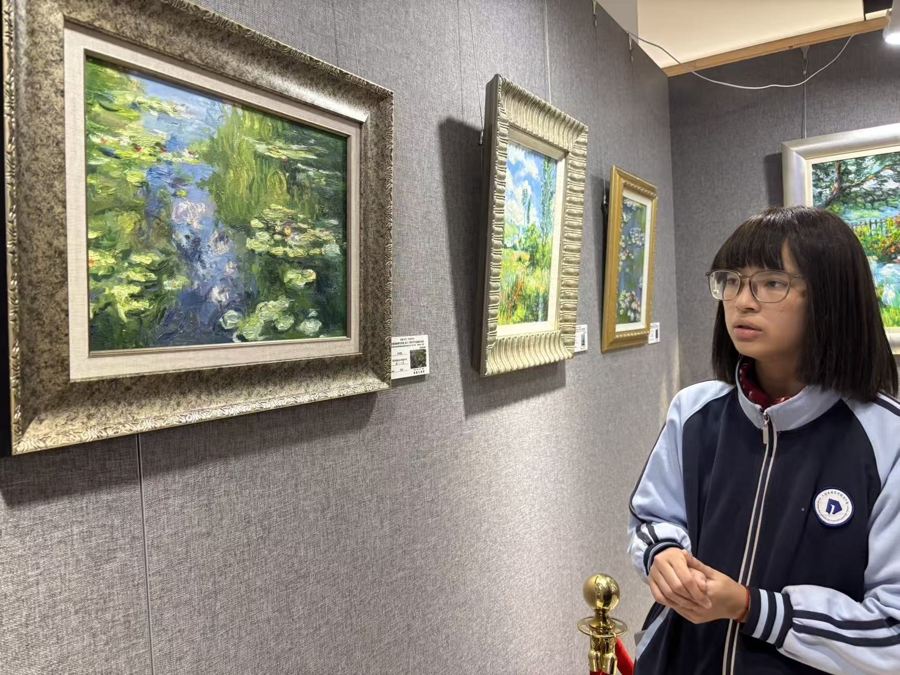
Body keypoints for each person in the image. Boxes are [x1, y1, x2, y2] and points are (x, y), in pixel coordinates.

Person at [627, 206, 900, 674]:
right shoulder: (694, 411)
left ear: (831, 297)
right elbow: (653, 516)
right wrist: (663, 553)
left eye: (772, 283)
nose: (741, 302)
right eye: (731, 281)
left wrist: (753, 608)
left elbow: (891, 629)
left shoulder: (886, 437)